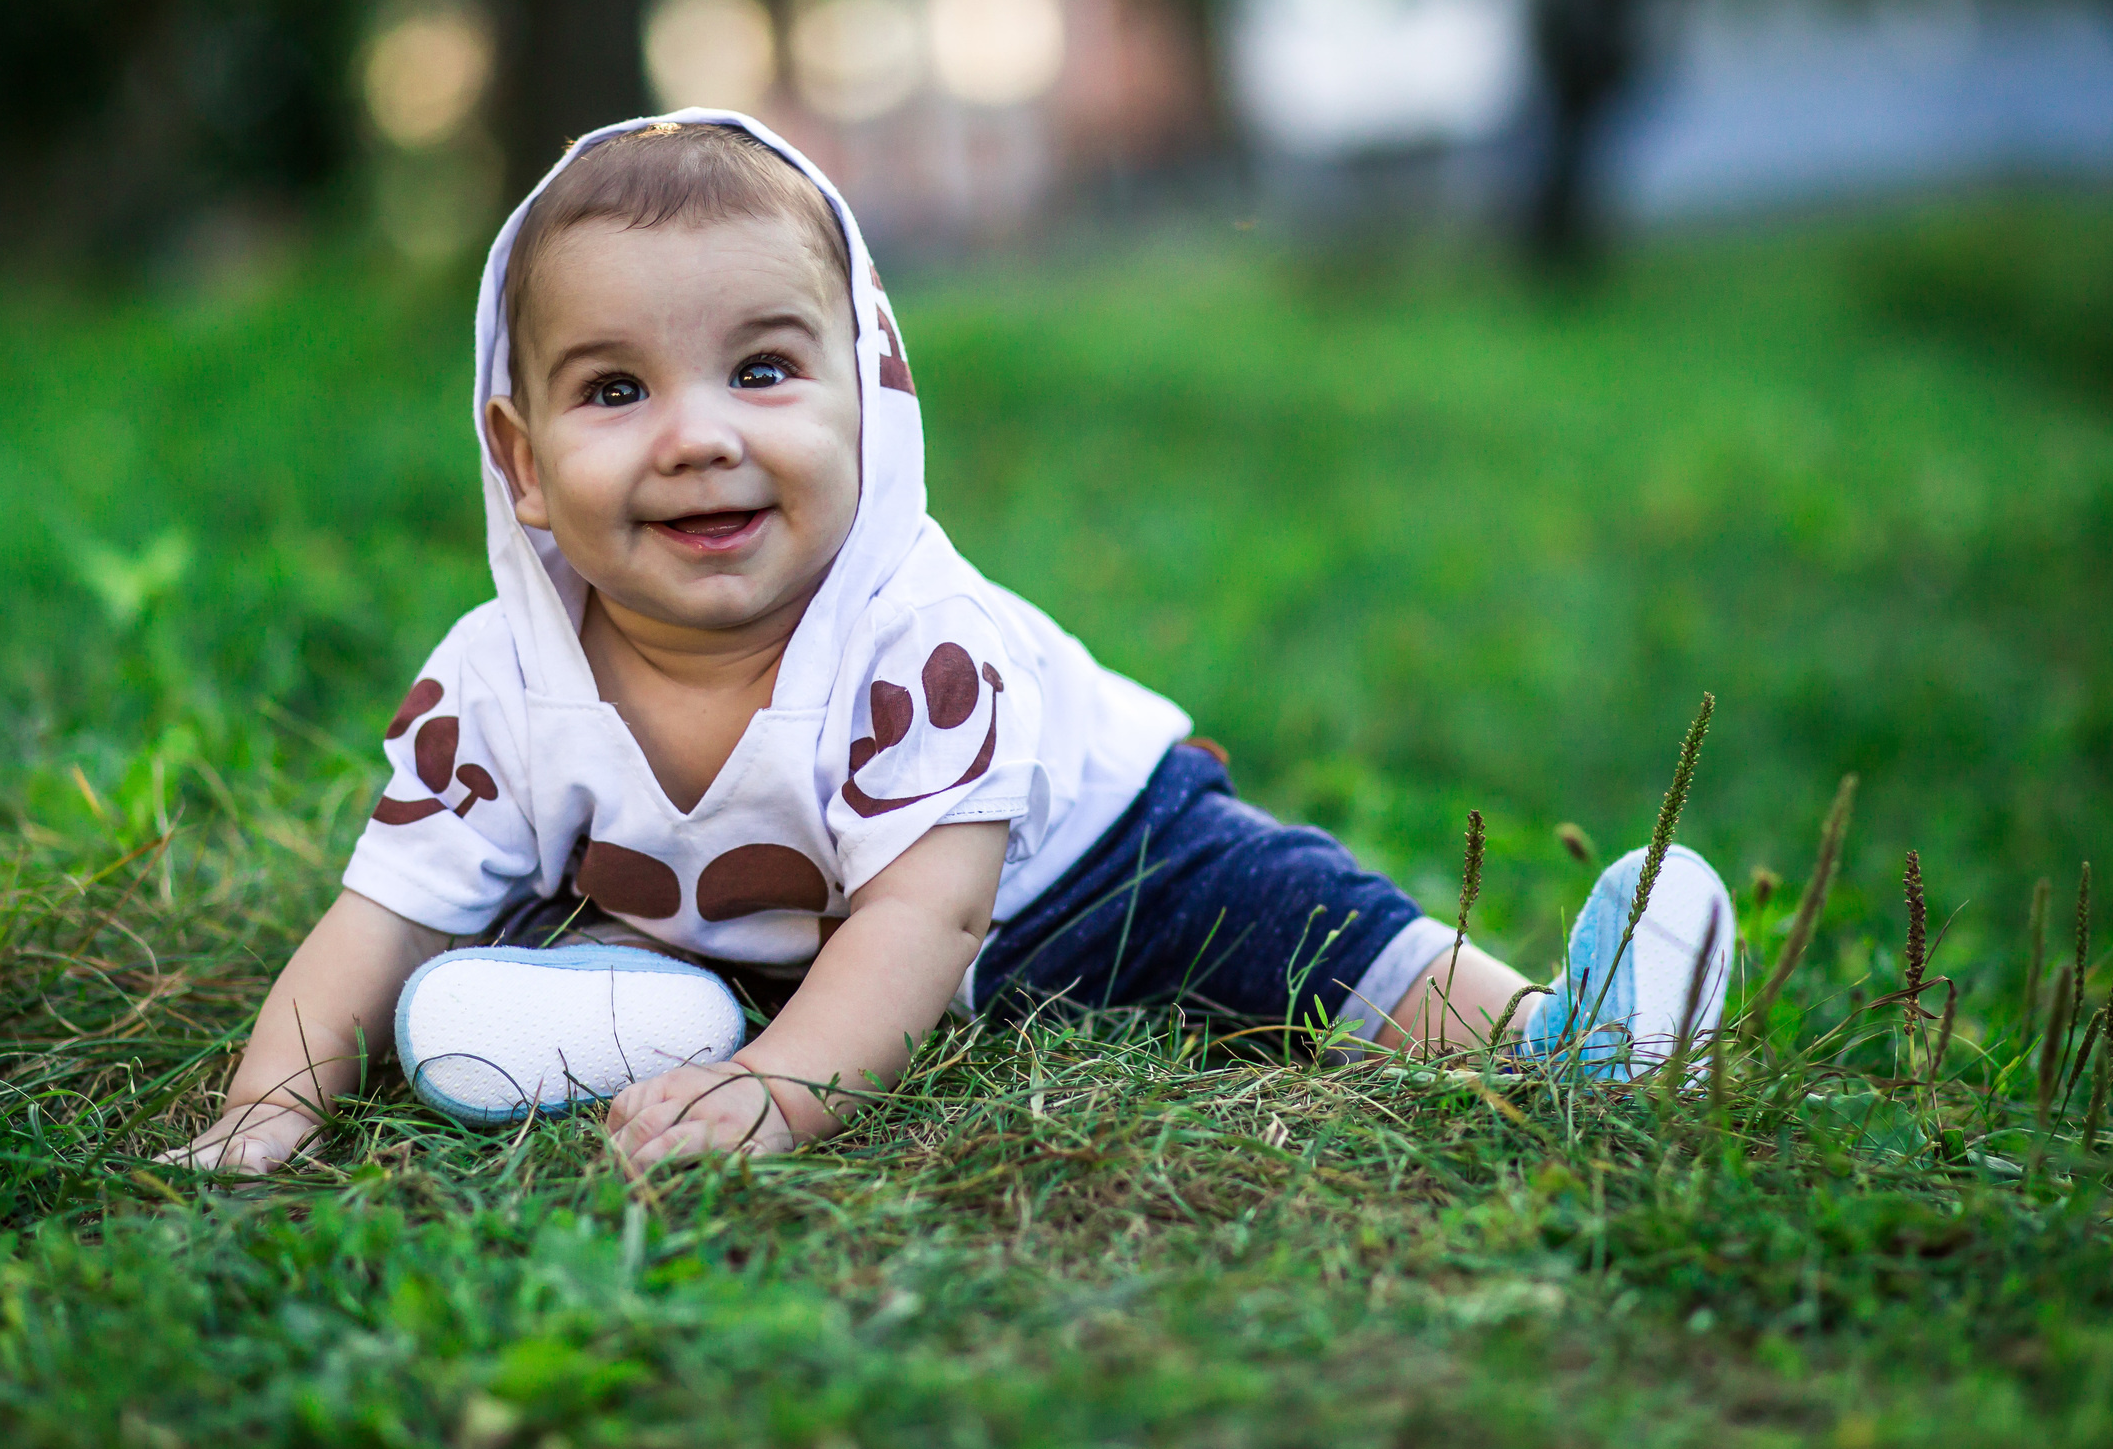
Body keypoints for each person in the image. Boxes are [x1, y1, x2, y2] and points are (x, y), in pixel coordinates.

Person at [172, 112, 1732, 1176]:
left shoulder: (916, 643)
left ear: (873, 391)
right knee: (512, 940)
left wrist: (786, 1098)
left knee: (1298, 922)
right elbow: (381, 912)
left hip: (1084, 863)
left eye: (765, 370)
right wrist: (266, 1108)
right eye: (614, 391)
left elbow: (927, 918)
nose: (697, 438)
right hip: (779, 939)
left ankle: (1562, 1042)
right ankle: (657, 1009)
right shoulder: (498, 682)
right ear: (516, 459)